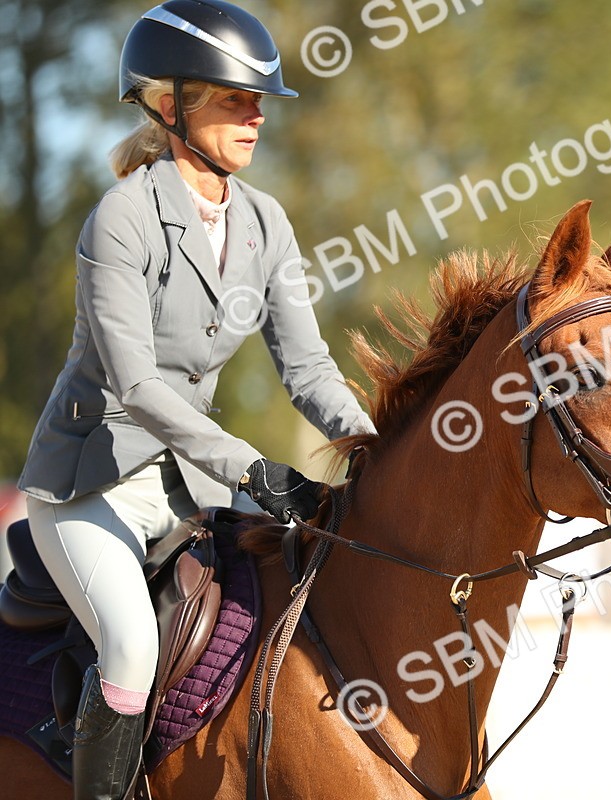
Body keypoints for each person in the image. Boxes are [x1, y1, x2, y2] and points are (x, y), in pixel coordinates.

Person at [16, 2, 375, 797]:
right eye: (235, 100)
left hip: (188, 486)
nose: (256, 117)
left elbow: (308, 368)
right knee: (131, 647)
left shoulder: (265, 222)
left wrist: (376, 445)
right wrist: (251, 467)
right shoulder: (122, 218)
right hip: (88, 484)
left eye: (258, 102)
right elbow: (137, 385)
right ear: (171, 105)